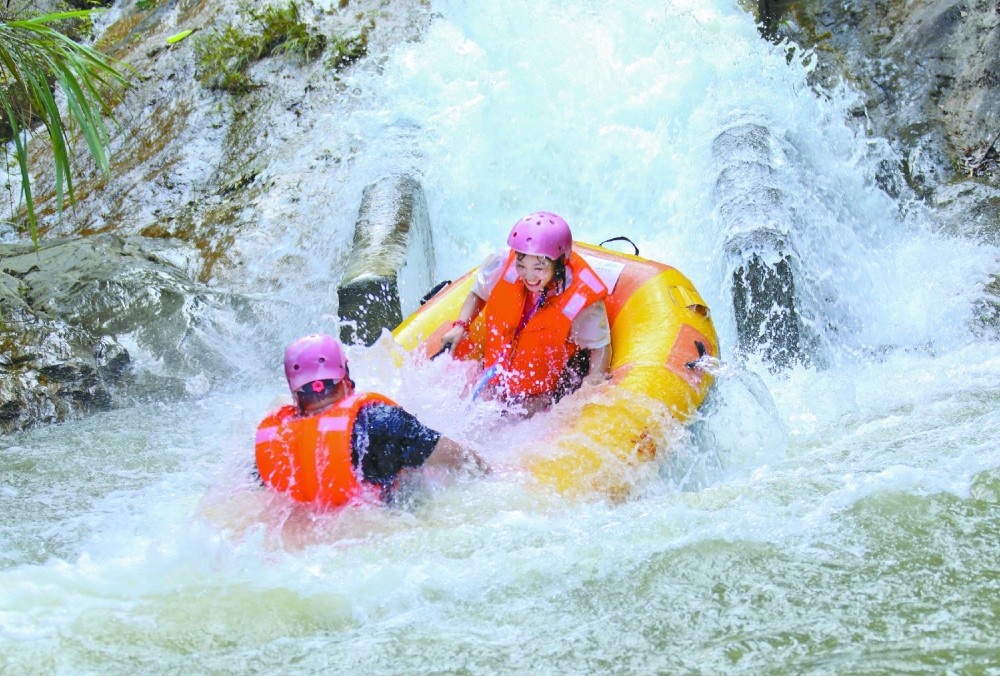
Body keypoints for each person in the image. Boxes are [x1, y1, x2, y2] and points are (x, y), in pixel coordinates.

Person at [255, 334, 488, 508]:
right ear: (345, 377)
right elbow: (461, 460)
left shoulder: (275, 441)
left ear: (295, 394)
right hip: (389, 529)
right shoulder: (380, 424)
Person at [439, 212, 612, 416]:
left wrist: (592, 382)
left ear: (559, 263)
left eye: (539, 268)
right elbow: (478, 293)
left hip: (538, 395)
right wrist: (461, 326)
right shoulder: (502, 263)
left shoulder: (581, 298)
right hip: (493, 377)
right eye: (522, 266)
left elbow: (600, 346)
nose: (529, 276)